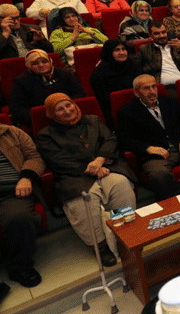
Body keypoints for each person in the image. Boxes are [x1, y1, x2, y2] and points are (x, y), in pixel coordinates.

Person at [34, 93, 136, 267]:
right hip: (73, 176)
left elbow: (110, 140)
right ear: (52, 114)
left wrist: (100, 160)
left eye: (68, 105)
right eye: (60, 109)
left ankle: (125, 233)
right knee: (84, 200)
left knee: (120, 184)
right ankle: (101, 246)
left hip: (105, 167)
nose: (67, 111)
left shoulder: (93, 120)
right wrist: (92, 168)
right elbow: (58, 160)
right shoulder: (46, 135)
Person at [117, 75, 180, 200]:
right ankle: (172, 203)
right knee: (159, 174)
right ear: (136, 93)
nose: (152, 92)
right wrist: (148, 148)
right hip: (156, 156)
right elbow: (125, 139)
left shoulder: (169, 101)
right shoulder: (127, 112)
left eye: (154, 87)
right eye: (146, 88)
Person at [0, 121, 45, 288]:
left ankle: (20, 267)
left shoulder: (11, 133)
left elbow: (34, 156)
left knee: (19, 217)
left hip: (12, 192)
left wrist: (26, 177)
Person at [137, 21, 180, 98]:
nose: (161, 36)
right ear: (150, 35)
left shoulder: (176, 45)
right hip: (166, 87)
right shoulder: (144, 49)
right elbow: (138, 69)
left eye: (163, 32)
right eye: (157, 33)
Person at [89, 39, 140, 122]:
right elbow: (104, 102)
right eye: (117, 50)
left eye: (124, 49)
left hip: (138, 105)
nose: (122, 53)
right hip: (115, 112)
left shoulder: (133, 65)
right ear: (109, 52)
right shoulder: (99, 73)